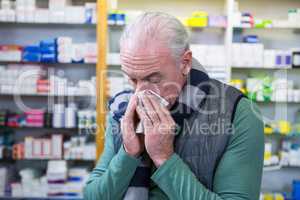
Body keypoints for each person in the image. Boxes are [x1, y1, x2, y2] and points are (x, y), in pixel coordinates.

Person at [84, 12, 264, 200]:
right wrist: (128, 154)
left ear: (185, 63)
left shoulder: (238, 113)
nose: (139, 94)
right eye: (132, 79)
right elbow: (93, 196)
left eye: (153, 79)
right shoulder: (122, 109)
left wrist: (165, 158)